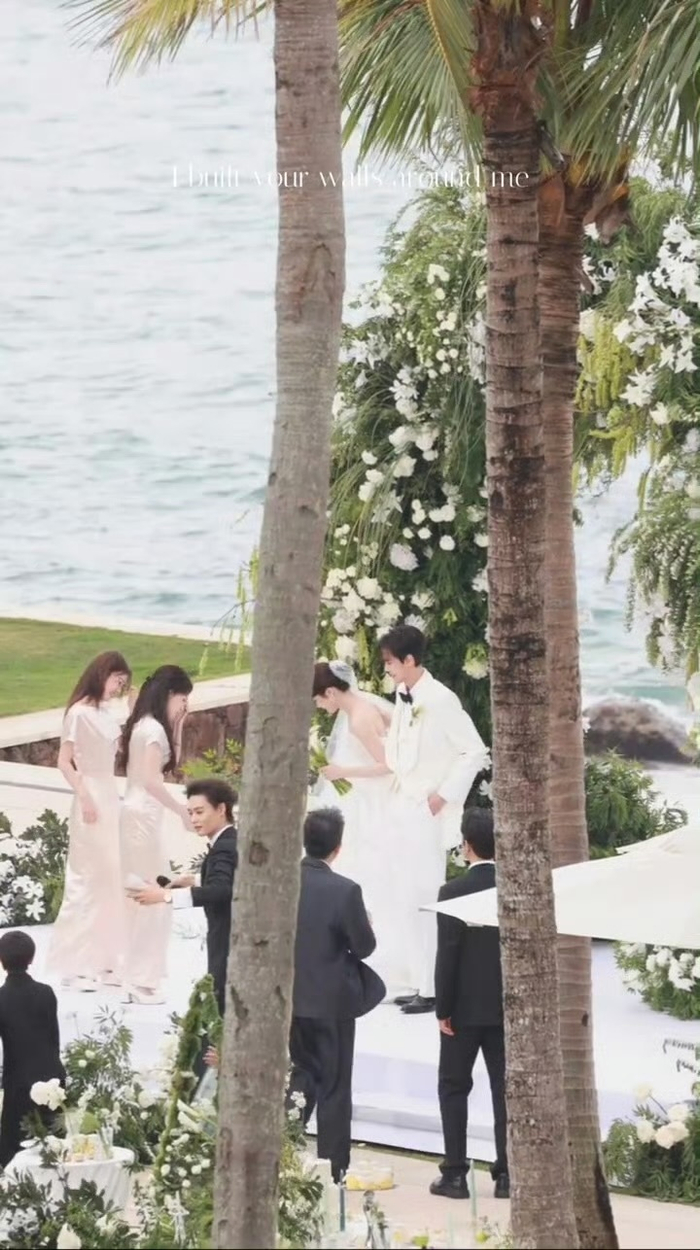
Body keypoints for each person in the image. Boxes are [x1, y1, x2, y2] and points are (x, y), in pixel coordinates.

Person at [381, 624, 489, 1014]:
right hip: (401, 807)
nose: (387, 668)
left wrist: (442, 796)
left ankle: (432, 987)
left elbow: (473, 751)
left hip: (426, 811)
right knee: (404, 896)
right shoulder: (402, 694)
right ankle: (418, 979)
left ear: (409, 660)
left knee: (425, 896)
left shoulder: (441, 699)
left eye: (390, 662)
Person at [289, 807, 385, 1183]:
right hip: (331, 1002)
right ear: (337, 848)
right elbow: (364, 947)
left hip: (291, 998)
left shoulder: (283, 882)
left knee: (299, 1076)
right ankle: (332, 1169)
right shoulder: (345, 890)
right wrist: (367, 926)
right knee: (334, 1085)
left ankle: (282, 1148)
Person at [313, 659, 409, 995]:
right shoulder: (361, 705)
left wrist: (344, 772)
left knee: (365, 869)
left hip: (367, 802)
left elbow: (389, 765)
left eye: (318, 699)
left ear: (330, 692)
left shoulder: (359, 718)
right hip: (361, 799)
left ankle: (375, 954)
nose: (319, 706)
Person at [431, 808, 508, 1200]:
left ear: (467, 845)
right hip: (506, 1009)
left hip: (461, 1010)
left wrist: (442, 1008)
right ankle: (508, 1175)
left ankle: (455, 1174)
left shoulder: (452, 892)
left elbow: (448, 955)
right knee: (505, 1091)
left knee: (453, 1087)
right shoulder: (514, 887)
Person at [46, 651, 132, 991]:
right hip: (90, 794)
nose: (118, 688)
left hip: (109, 794)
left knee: (111, 876)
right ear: (102, 674)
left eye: (122, 683)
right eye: (116, 681)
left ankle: (106, 961)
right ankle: (75, 964)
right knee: (87, 876)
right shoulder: (79, 713)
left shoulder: (108, 712)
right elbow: (64, 761)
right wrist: (83, 795)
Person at [128, 777, 238, 1015]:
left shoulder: (225, 847)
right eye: (190, 813)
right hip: (227, 935)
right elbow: (233, 882)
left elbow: (222, 891)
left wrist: (165, 896)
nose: (194, 819)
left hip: (228, 937)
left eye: (199, 812)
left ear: (221, 809)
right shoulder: (229, 841)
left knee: (221, 1005)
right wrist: (194, 880)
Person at [119, 665, 194, 1005]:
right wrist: (181, 810)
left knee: (143, 892)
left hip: (138, 815)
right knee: (155, 894)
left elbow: (166, 767)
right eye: (182, 699)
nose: (184, 706)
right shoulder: (152, 730)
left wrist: (178, 726)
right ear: (169, 694)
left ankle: (137, 975)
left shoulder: (144, 725)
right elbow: (152, 780)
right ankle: (141, 979)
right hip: (143, 817)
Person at [0, 931, 65, 1168]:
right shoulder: (46, 992)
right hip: (52, 1078)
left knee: (14, 1153)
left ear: (1, 960)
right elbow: (53, 1037)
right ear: (31, 958)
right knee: (55, 1150)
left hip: (18, 1083)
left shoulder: (2, 998)